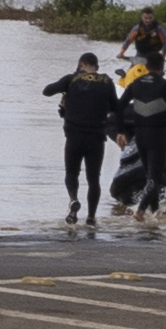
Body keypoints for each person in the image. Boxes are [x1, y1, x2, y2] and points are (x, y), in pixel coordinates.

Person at [115, 45, 166, 238]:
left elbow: (118, 107)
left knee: (151, 177)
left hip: (140, 136)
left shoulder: (135, 84)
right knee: (155, 177)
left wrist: (121, 130)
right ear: (162, 66)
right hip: (157, 136)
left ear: (145, 66)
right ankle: (140, 210)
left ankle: (153, 217)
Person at [50, 52, 117, 232]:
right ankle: (91, 218)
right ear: (97, 66)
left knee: (72, 173)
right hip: (96, 137)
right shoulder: (107, 81)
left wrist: (65, 90)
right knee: (93, 178)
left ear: (81, 64)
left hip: (74, 136)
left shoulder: (71, 79)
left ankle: (73, 200)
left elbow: (47, 91)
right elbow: (116, 107)